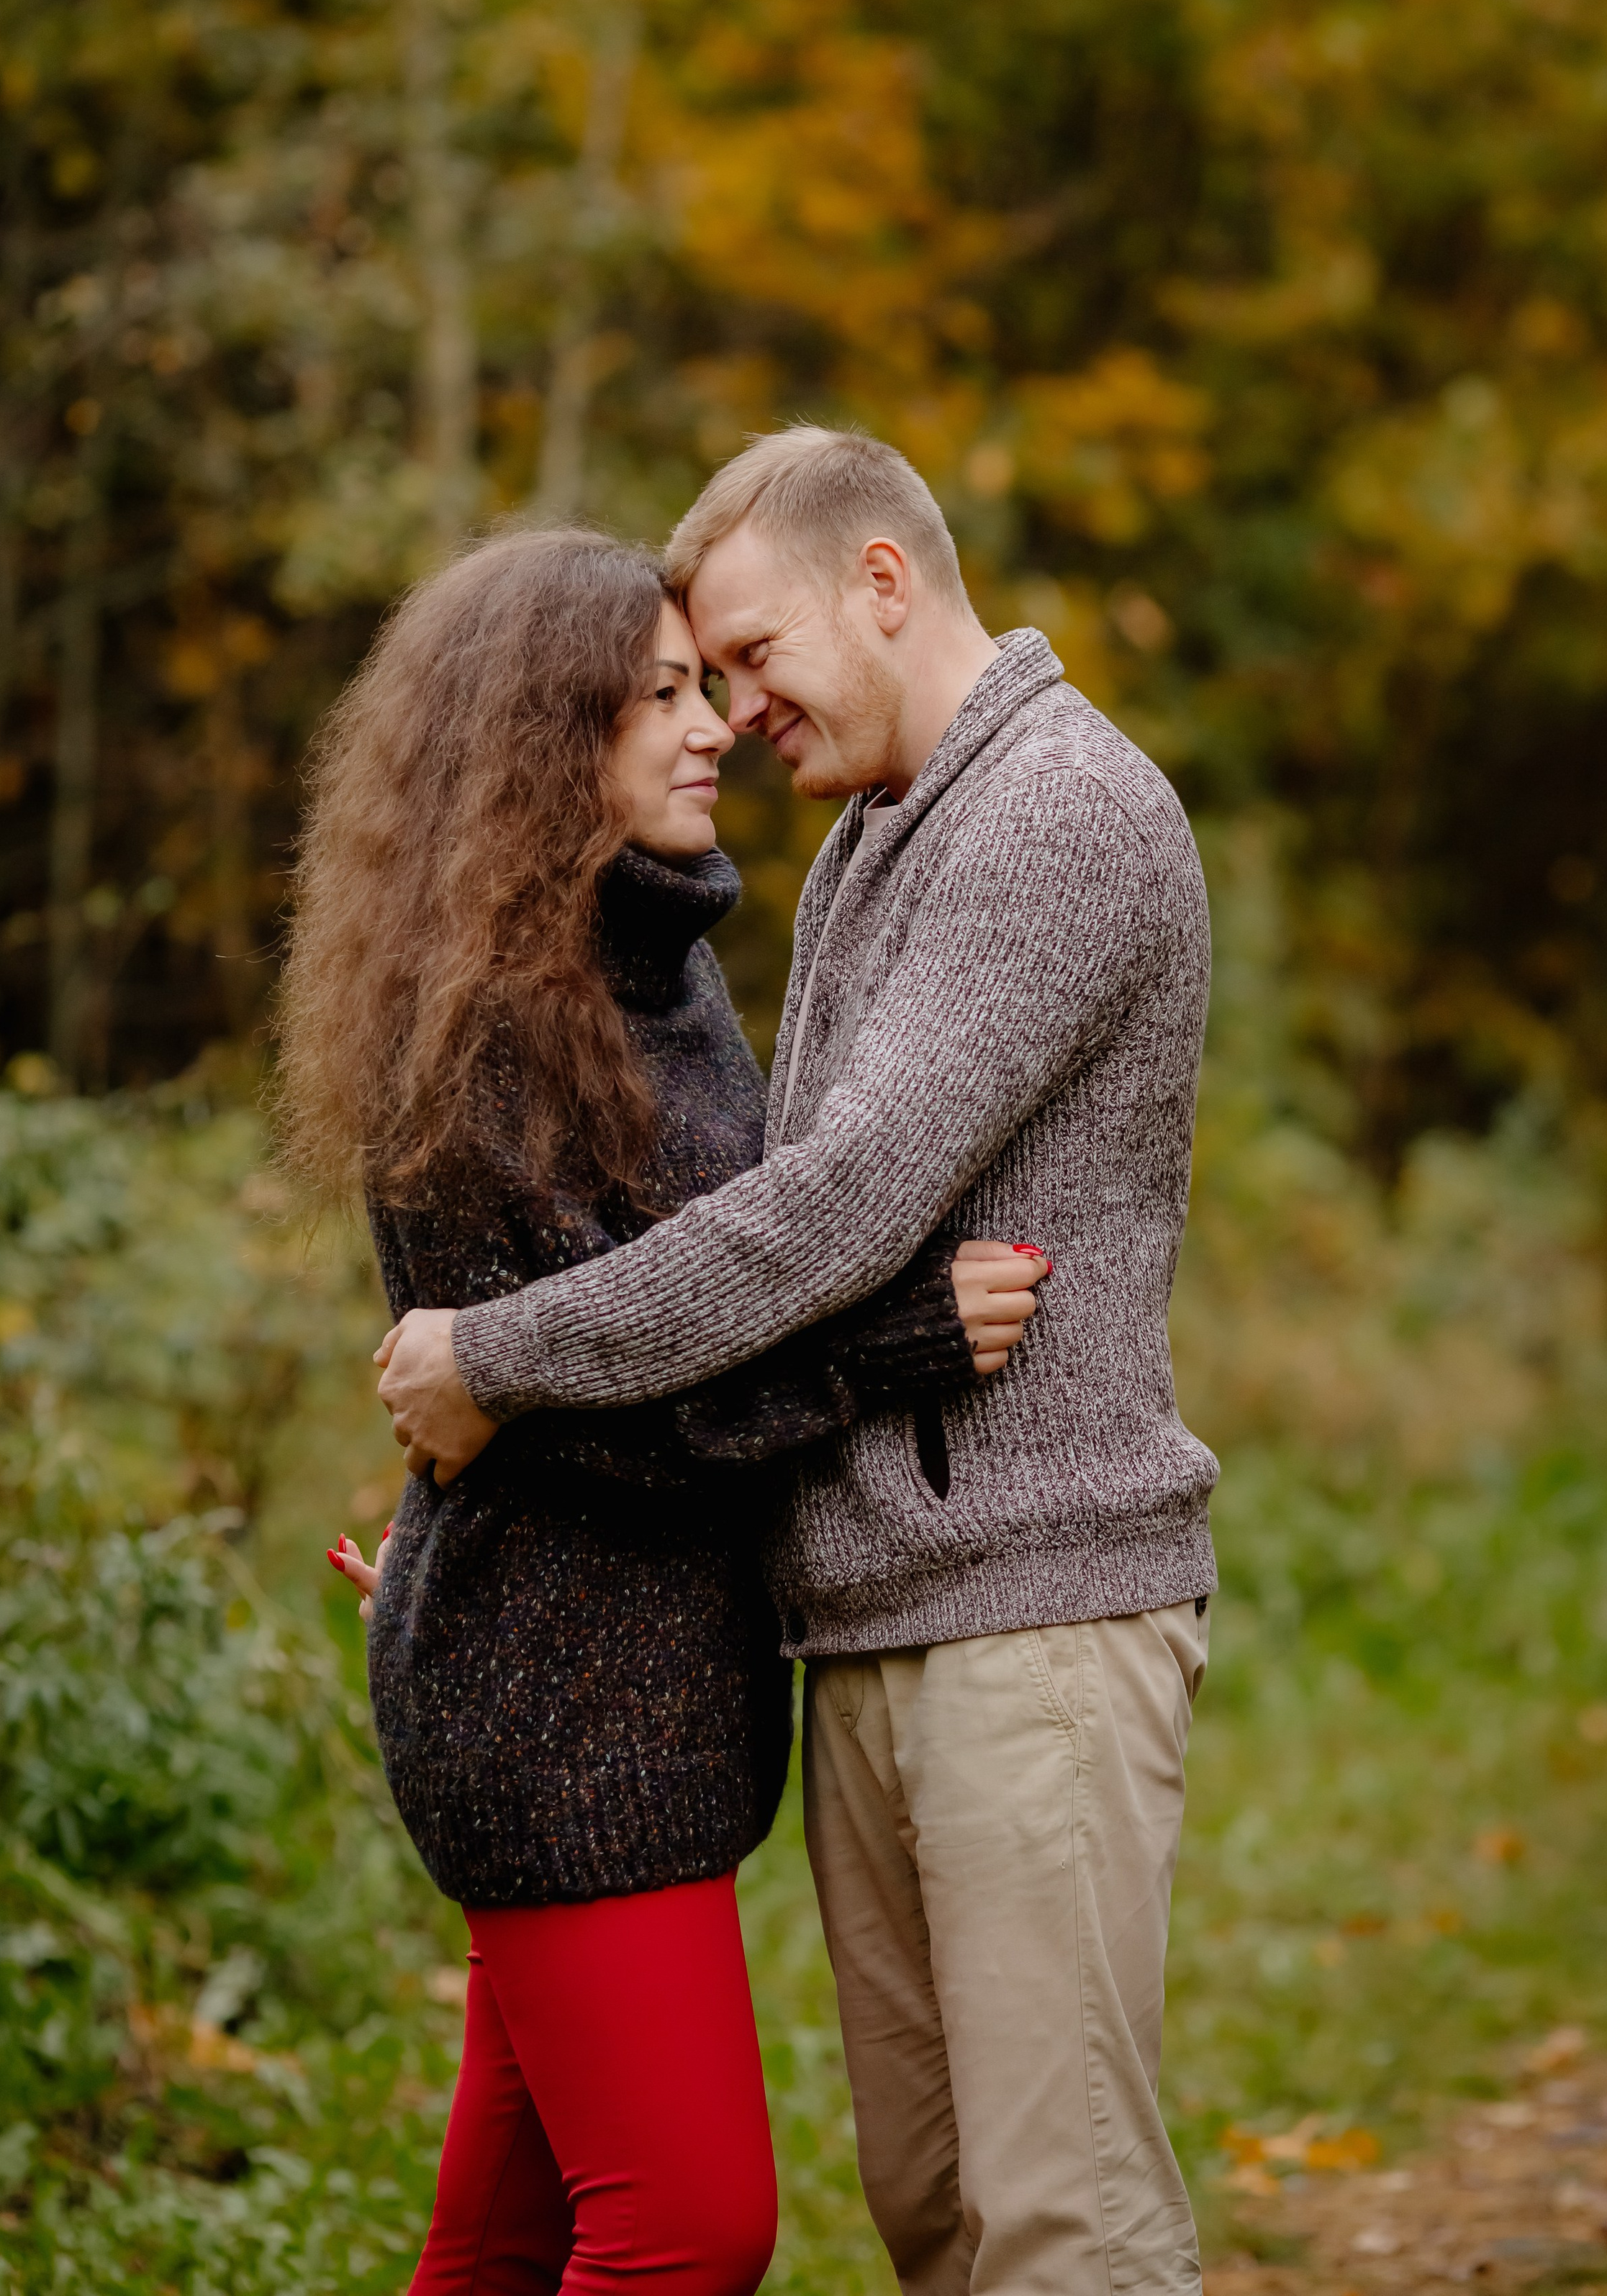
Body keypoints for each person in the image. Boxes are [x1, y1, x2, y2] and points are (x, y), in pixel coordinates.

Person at [376, 433, 1220, 2296]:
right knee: (936, 2215)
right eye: (704, 677)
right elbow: (732, 1240)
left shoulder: (1059, 812)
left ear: (886, 584)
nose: (740, 708)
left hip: (1028, 1612)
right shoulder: (863, 845)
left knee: (1060, 2221)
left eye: (751, 656)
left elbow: (831, 1213)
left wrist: (498, 1364)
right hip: (864, 1631)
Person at [274, 523, 1044, 2296]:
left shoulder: (654, 967)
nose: (711, 728)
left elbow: (686, 1303)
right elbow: (601, 1412)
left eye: (706, 688)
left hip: (626, 1688)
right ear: (548, 746)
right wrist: (885, 1348)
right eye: (660, 698)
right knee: (689, 2229)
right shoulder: (473, 1036)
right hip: (551, 1709)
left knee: (504, 2240)